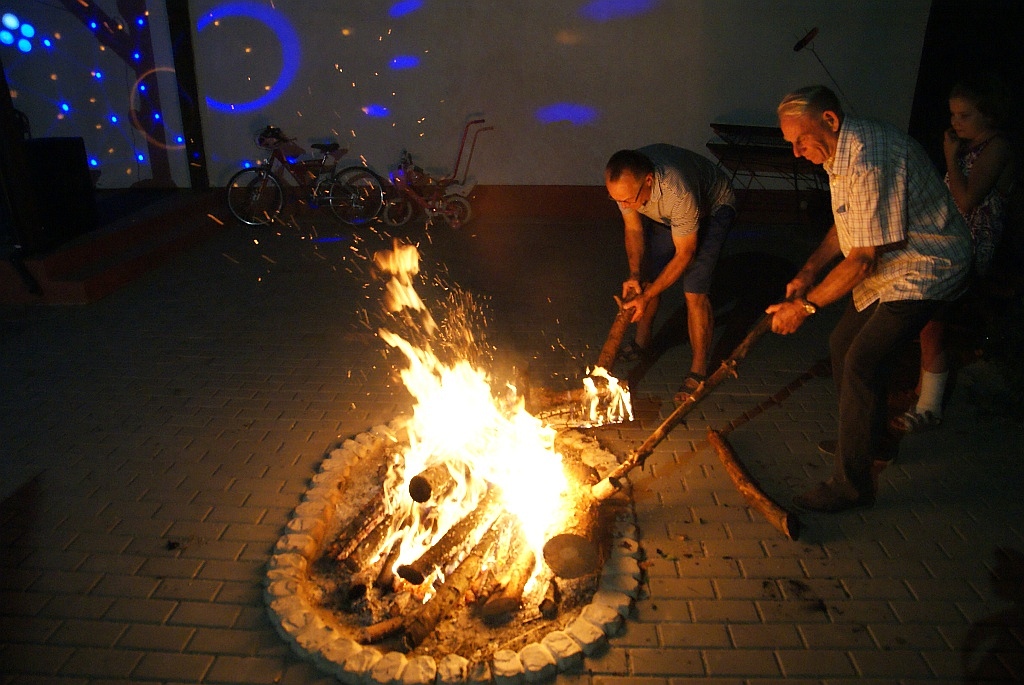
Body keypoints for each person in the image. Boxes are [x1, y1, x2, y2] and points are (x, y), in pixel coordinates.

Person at [766, 85, 972, 513]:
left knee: (863, 359)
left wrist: (804, 308)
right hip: (896, 263)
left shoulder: (869, 158)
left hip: (929, 265)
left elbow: (861, 261)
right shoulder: (838, 151)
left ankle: (853, 485)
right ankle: (871, 441)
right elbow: (846, 224)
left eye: (801, 141)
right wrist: (807, 273)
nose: (798, 152)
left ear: (830, 120)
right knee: (842, 344)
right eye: (792, 144)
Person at [892, 74, 1017, 433]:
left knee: (933, 321)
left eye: (964, 116)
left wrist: (949, 156)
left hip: (970, 248)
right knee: (926, 319)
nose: (955, 122)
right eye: (952, 115)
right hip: (948, 241)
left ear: (988, 115)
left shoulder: (996, 148)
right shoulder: (969, 145)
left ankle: (930, 406)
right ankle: (923, 389)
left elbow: (967, 199)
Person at [604, 145, 735, 404]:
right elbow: (634, 230)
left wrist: (649, 294)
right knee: (646, 279)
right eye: (617, 200)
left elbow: (685, 253)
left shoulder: (678, 191)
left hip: (714, 207)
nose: (624, 205)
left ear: (649, 181)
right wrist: (634, 274)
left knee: (694, 290)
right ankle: (641, 343)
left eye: (628, 200)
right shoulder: (628, 185)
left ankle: (698, 369)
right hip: (670, 214)